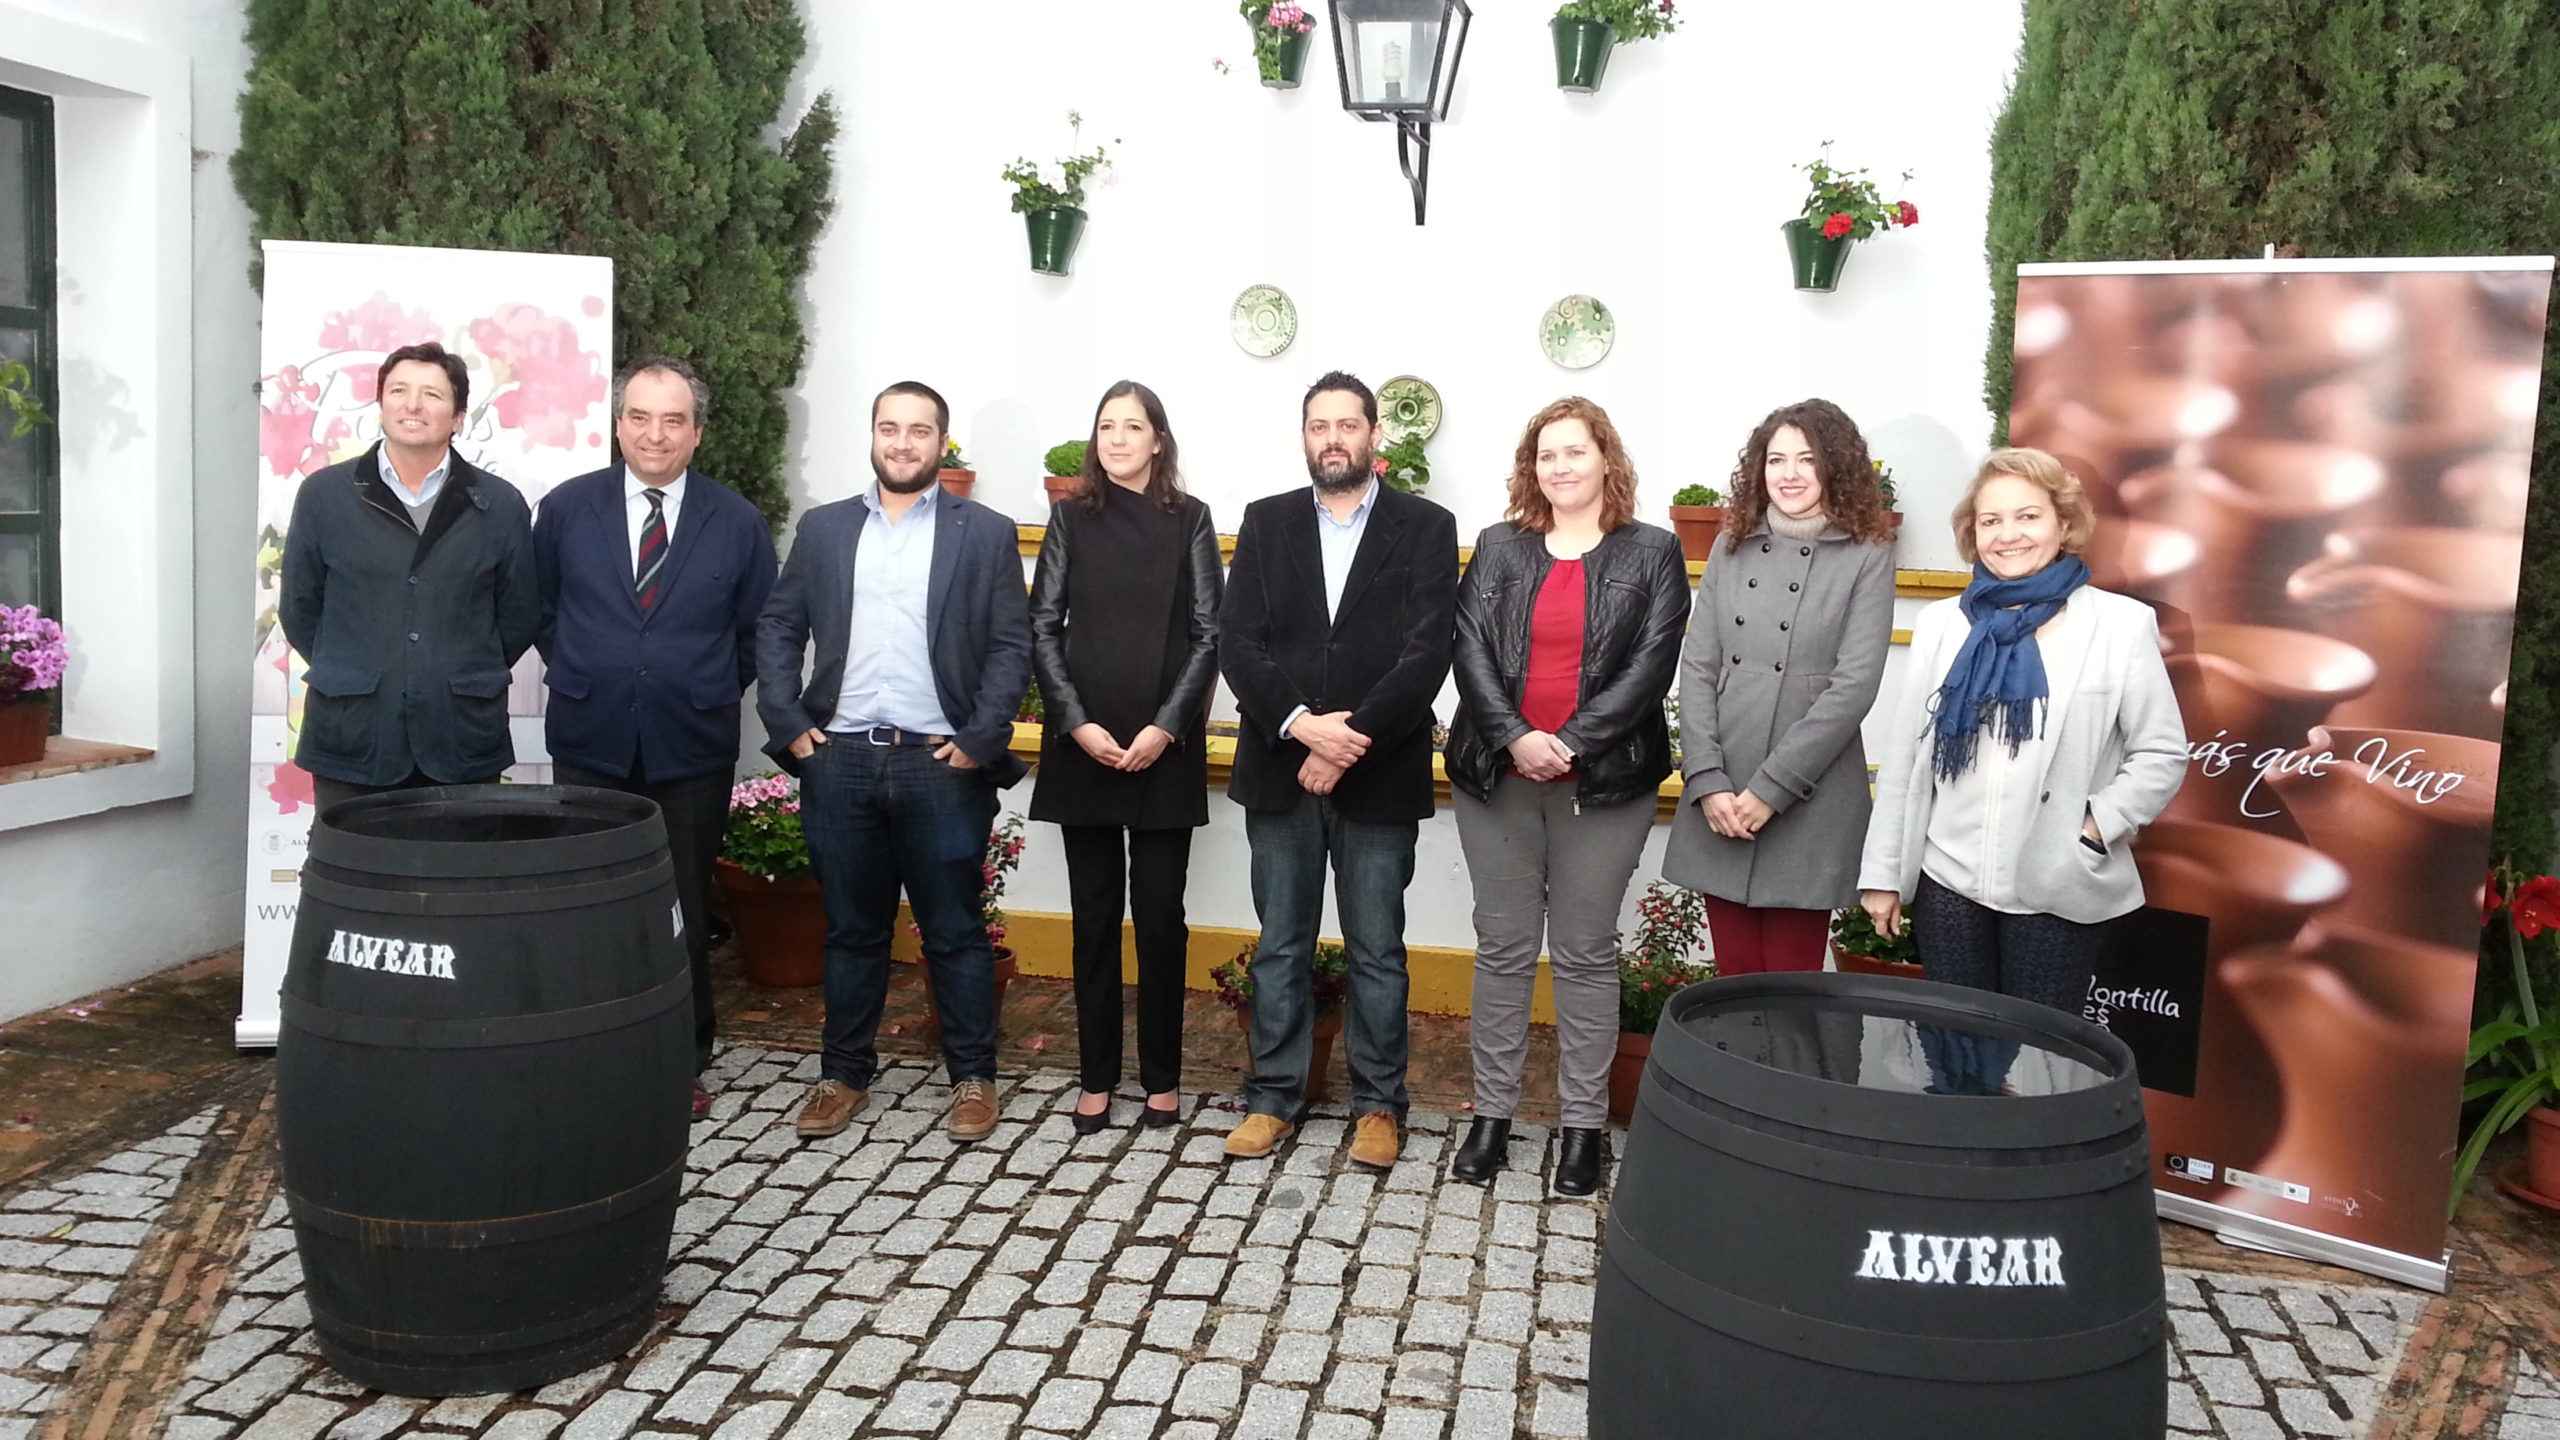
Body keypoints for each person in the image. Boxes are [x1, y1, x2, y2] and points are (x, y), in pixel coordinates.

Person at [1858, 447, 2187, 1091]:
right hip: (1948, 880)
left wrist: (2093, 827)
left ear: (2063, 524)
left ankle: (2027, 1190)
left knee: (2039, 1065)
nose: (2008, 535)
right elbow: (1906, 761)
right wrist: (1883, 875)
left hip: (2055, 881)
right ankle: (1956, 1181)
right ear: (1971, 533)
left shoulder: (2119, 627)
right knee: (1954, 1058)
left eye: (2027, 516)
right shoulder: (1941, 626)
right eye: (1990, 521)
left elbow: (2162, 752)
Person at [756, 381, 1032, 1142]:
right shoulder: (824, 530)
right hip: (839, 760)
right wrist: (786, 720)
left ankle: (973, 1078)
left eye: (919, 431)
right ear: (872, 436)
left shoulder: (985, 533)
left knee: (953, 930)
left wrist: (980, 736)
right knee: (850, 930)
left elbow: (1013, 642)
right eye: (890, 428)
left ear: (942, 443)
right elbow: (780, 625)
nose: (903, 443)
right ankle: (841, 1075)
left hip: (939, 767)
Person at [1442, 397, 1689, 1195]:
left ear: (1606, 460)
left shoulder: (1652, 553)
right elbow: (1469, 650)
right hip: (1498, 778)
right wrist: (1516, 736)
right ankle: (1493, 1117)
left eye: (1575, 452)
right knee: (1504, 950)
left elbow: (1650, 668)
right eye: (1546, 454)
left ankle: (1583, 1128)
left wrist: (1573, 741)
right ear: (1531, 466)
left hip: (1605, 787)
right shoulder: (1499, 548)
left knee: (1586, 954)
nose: (1560, 466)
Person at [1218, 370, 1458, 1168]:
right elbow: (1239, 643)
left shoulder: (1425, 527)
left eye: (1347, 424)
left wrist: (1348, 739)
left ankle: (1379, 1106)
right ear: (1303, 437)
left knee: (1377, 948)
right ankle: (1275, 1098)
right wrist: (1301, 728)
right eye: (1319, 425)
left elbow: (1428, 652)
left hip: (1378, 773)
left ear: (1374, 434)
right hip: (1282, 767)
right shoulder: (1266, 521)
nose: (1333, 438)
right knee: (1282, 942)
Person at [534, 356, 777, 1119]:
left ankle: (682, 1058)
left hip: (689, 747)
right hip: (590, 738)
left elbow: (756, 634)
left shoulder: (735, 521)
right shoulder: (567, 509)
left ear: (697, 434)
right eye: (640, 416)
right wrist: (593, 670)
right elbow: (540, 612)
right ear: (618, 425)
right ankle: (584, 1050)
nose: (655, 433)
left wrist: (694, 684)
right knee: (585, 906)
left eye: (673, 420)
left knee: (678, 907)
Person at [1028, 381, 1221, 1134]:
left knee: (1162, 916)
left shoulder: (1191, 519)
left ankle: (1163, 1077)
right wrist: (1074, 724)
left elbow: (1210, 634)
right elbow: (1043, 625)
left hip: (1161, 747)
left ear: (1158, 441)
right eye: (1105, 426)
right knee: (1094, 916)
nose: (1116, 439)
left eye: (1131, 427)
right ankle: (1097, 1075)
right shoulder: (1071, 516)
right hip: (1086, 744)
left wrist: (1166, 729)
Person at [1663, 400, 1898, 977]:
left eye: (1806, 460)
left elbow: (1854, 686)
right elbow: (1696, 666)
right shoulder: (1730, 543)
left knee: (1791, 992)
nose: (1789, 474)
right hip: (1723, 789)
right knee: (1731, 983)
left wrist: (1772, 789)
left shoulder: (1868, 553)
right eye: (1776, 460)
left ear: (1835, 467)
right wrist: (1708, 779)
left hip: (1808, 794)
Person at [280, 341, 539, 811]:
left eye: (432, 395)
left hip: (459, 737)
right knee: (355, 879)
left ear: (459, 417)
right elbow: (300, 609)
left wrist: (452, 670)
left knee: (458, 879)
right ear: (381, 405)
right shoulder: (324, 496)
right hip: (354, 737)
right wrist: (359, 669)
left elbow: (519, 615)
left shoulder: (500, 505)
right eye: (398, 390)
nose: (413, 404)